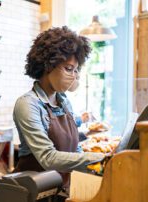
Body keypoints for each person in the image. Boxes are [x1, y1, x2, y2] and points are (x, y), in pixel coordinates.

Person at [13, 26, 105, 189]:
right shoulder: (28, 104)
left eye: (76, 70)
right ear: (48, 65)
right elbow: (48, 158)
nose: (74, 76)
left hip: (62, 187)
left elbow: (75, 149)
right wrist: (99, 158)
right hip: (35, 192)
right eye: (69, 69)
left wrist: (94, 169)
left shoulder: (64, 102)